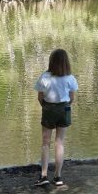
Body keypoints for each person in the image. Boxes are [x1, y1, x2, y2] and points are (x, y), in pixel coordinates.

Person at [33, 49, 78, 186]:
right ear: (66, 63)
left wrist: (46, 107)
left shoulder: (45, 77)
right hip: (64, 109)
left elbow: (40, 98)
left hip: (48, 109)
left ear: (51, 62)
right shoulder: (70, 78)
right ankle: (58, 176)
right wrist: (64, 106)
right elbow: (71, 98)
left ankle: (44, 175)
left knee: (45, 143)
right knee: (60, 142)